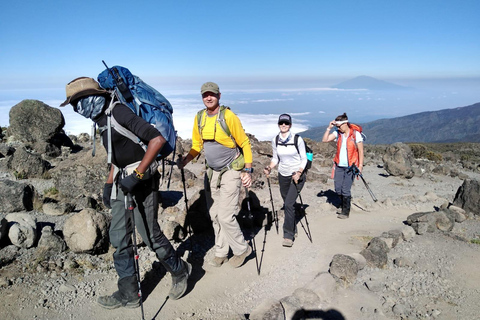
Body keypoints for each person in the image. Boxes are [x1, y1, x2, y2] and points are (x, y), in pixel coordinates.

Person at [60, 77, 191, 309]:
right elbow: (116, 156)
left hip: (142, 181)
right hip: (123, 182)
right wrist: (109, 184)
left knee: (149, 234)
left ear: (89, 98)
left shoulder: (118, 112)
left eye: (76, 103)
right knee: (119, 236)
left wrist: (137, 176)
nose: (76, 109)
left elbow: (157, 140)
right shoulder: (101, 120)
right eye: (72, 105)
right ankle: (129, 293)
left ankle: (180, 271)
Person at [177, 81, 253, 268]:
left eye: (212, 94)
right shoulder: (200, 117)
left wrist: (248, 170)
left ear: (219, 95)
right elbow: (197, 145)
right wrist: (186, 160)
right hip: (212, 172)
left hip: (231, 169)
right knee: (214, 214)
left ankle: (242, 249)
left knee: (226, 215)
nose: (208, 97)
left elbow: (244, 142)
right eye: (205, 95)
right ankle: (221, 251)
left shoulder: (228, 116)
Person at [263, 114, 307, 247]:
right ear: (278, 124)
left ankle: (288, 235)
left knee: (288, 204)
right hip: (283, 175)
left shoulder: (297, 139)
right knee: (288, 203)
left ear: (290, 125)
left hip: (296, 175)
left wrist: (299, 172)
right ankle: (293, 227)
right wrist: (269, 167)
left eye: (286, 123)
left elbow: (304, 158)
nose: (283, 125)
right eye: (281, 123)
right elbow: (276, 158)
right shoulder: (275, 140)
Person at [322, 113, 364, 219]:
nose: (338, 128)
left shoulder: (355, 134)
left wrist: (360, 166)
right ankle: (342, 205)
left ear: (345, 123)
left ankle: (345, 211)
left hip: (351, 166)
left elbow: (361, 151)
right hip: (339, 165)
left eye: (339, 126)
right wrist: (329, 128)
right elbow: (325, 140)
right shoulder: (337, 134)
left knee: (345, 189)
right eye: (337, 126)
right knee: (338, 188)